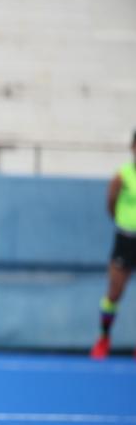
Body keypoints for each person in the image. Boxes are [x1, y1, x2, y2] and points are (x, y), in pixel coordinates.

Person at [90, 130, 136, 359]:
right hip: (126, 239)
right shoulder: (123, 175)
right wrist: (123, 222)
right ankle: (103, 338)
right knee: (115, 291)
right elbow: (111, 202)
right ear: (133, 148)